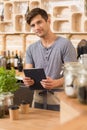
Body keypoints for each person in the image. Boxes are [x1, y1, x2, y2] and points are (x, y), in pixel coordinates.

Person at [23, 8, 77, 111]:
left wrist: (56, 83)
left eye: (39, 22)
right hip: (38, 102)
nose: (36, 28)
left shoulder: (65, 45)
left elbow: (73, 75)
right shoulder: (31, 48)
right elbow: (28, 73)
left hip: (59, 101)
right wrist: (27, 81)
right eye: (33, 25)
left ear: (48, 20)